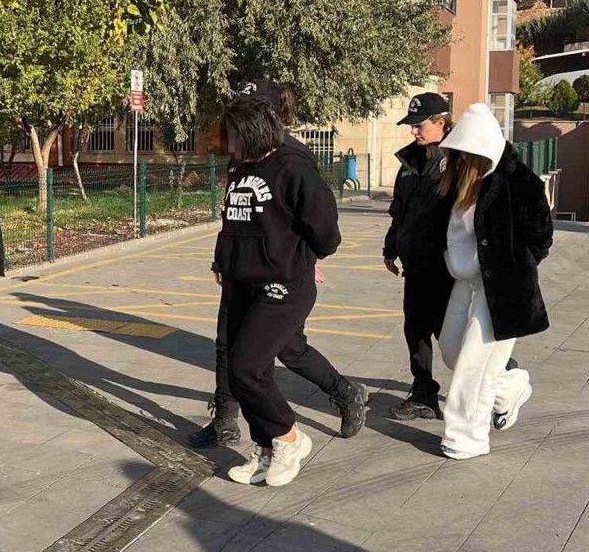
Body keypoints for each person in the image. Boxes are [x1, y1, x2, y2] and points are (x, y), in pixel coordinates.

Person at [192, 81, 367, 449]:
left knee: (287, 350)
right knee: (229, 346)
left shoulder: (293, 158)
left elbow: (308, 219)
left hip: (279, 278)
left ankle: (344, 393)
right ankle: (226, 420)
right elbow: (237, 215)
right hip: (243, 272)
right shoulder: (243, 156)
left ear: (265, 117)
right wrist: (222, 259)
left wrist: (303, 259)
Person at [214, 94, 344, 487]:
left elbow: (325, 230)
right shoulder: (242, 167)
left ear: (253, 132)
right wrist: (224, 261)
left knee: (247, 367)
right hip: (241, 283)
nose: (229, 143)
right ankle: (266, 446)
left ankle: (288, 437)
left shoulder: (293, 166)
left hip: (283, 285)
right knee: (238, 372)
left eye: (234, 135)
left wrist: (299, 258)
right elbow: (233, 222)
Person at [434, 103, 551, 460]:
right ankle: (511, 387)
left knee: (474, 364)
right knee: (452, 351)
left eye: (461, 153)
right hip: (463, 280)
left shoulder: (518, 181)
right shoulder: (457, 179)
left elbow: (541, 236)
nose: (456, 158)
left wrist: (514, 268)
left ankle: (466, 437)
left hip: (502, 287)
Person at [383, 92, 456, 420]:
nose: (414, 131)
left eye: (420, 125)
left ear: (441, 123)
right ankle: (424, 392)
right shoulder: (410, 162)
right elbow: (400, 210)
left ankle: (500, 378)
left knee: (451, 335)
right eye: (411, 125)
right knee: (415, 328)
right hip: (416, 264)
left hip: (448, 267)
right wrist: (391, 246)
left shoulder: (458, 160)